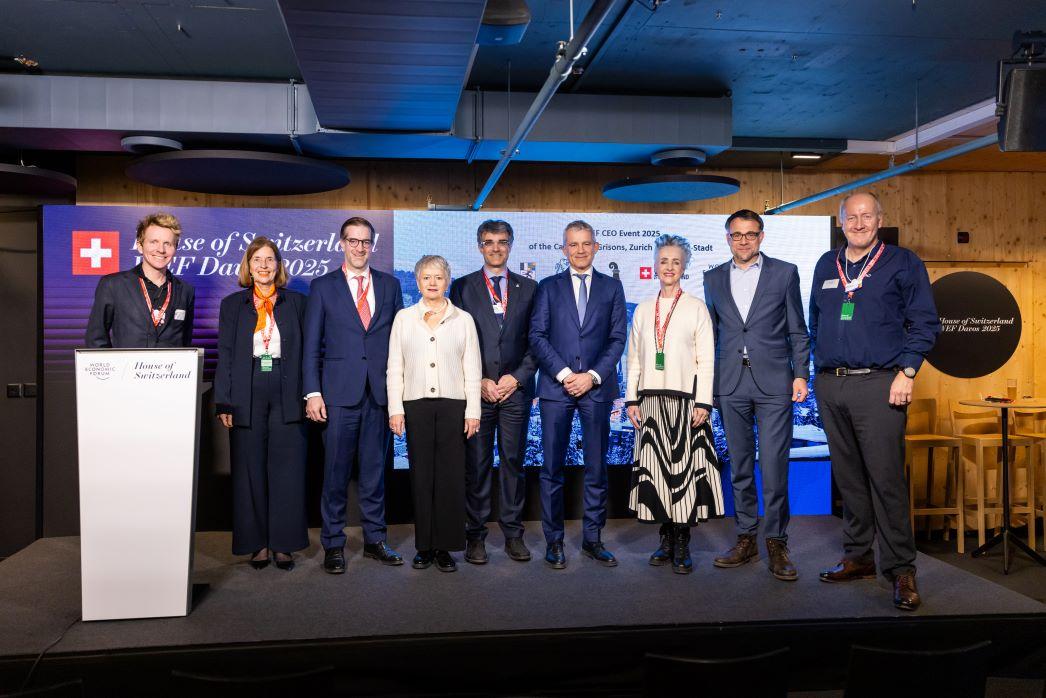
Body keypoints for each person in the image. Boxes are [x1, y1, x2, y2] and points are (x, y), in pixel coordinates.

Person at [810, 192, 939, 611]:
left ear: (880, 220)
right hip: (831, 385)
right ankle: (858, 556)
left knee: (885, 480)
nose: (859, 223)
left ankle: (900, 569)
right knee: (849, 479)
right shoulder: (826, 265)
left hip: (881, 383)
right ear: (841, 222)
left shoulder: (903, 263)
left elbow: (924, 322)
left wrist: (908, 371)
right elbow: (816, 321)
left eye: (867, 216)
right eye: (852, 217)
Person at [703, 210, 811, 581]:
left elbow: (797, 330)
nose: (744, 241)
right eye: (737, 235)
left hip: (774, 383)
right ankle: (746, 538)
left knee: (775, 468)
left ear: (761, 236)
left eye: (750, 234)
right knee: (740, 467)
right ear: (728, 238)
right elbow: (712, 335)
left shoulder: (785, 272)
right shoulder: (713, 278)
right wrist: (708, 385)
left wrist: (801, 375)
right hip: (729, 384)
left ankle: (777, 542)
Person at [303, 216, 404, 574]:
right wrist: (312, 392)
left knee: (375, 474)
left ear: (372, 245)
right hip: (337, 395)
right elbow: (311, 345)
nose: (360, 247)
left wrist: (398, 395)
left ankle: (375, 540)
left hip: (378, 395)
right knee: (335, 475)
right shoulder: (322, 286)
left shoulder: (390, 286)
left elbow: (398, 343)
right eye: (353, 241)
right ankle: (333, 544)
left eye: (365, 241)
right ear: (342, 243)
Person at [529, 220, 627, 569]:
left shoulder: (612, 287)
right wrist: (567, 374)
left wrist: (593, 376)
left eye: (586, 243)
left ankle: (593, 540)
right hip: (556, 387)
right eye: (573, 244)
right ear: (564, 249)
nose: (580, 250)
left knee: (596, 467)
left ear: (596, 247)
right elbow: (537, 335)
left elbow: (618, 338)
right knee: (551, 468)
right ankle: (554, 541)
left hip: (596, 389)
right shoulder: (548, 287)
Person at [626, 234, 722, 575]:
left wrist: (704, 403)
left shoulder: (696, 308)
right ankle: (665, 539)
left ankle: (683, 542)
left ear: (685, 267)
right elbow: (634, 359)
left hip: (686, 404)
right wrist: (631, 398)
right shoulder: (642, 309)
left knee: (683, 476)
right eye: (664, 261)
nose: (669, 267)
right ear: (655, 265)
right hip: (650, 402)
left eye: (676, 262)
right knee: (657, 476)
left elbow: (706, 360)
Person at [214, 237, 308, 571]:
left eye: (270, 259)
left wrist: (310, 393)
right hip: (247, 387)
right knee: (249, 469)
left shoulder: (297, 303)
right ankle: (258, 545)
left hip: (287, 387)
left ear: (278, 266)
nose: (264, 266)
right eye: (258, 260)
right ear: (249, 266)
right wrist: (224, 401)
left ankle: (284, 544)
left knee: (288, 469)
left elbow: (309, 352)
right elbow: (225, 353)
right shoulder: (232, 305)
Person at [449, 220, 538, 565]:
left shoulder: (530, 287)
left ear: (510, 245)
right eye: (489, 242)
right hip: (478, 392)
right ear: (479, 246)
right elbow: (455, 341)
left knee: (513, 463)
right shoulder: (462, 287)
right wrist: (480, 381)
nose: (496, 248)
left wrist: (516, 378)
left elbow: (537, 341)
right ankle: (475, 536)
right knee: (477, 465)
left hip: (516, 391)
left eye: (502, 241)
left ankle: (513, 534)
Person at [388, 255, 482, 573]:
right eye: (426, 277)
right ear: (417, 282)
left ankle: (445, 547)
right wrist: (395, 409)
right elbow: (395, 367)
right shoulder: (404, 318)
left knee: (450, 479)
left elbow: (472, 368)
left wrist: (473, 411)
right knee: (422, 478)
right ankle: (424, 547)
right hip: (415, 406)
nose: (432, 282)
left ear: (447, 281)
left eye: (438, 277)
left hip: (454, 406)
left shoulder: (463, 320)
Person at [85, 212, 194, 348]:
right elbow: (96, 340)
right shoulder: (112, 285)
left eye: (168, 243)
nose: (161, 249)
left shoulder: (186, 291)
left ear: (175, 249)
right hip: (125, 363)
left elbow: (186, 344)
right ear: (140, 246)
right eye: (154, 242)